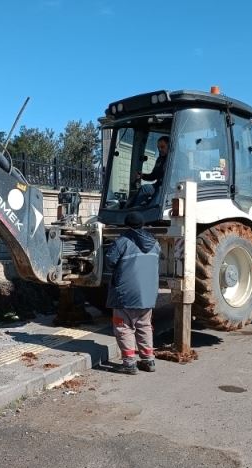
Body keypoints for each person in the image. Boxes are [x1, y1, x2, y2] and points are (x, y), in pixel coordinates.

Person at [105, 211, 160, 374]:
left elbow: (110, 261)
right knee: (144, 326)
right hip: (148, 294)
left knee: (124, 327)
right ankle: (148, 360)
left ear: (126, 224)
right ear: (142, 224)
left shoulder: (122, 241)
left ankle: (129, 363)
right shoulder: (155, 243)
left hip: (126, 294)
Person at [128, 135, 170, 208]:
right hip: (158, 185)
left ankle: (150, 211)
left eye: (162, 147)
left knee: (161, 190)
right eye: (158, 148)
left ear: (169, 146)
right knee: (146, 188)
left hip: (170, 187)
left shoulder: (178, 158)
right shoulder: (159, 160)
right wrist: (142, 176)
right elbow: (153, 175)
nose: (160, 149)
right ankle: (136, 209)